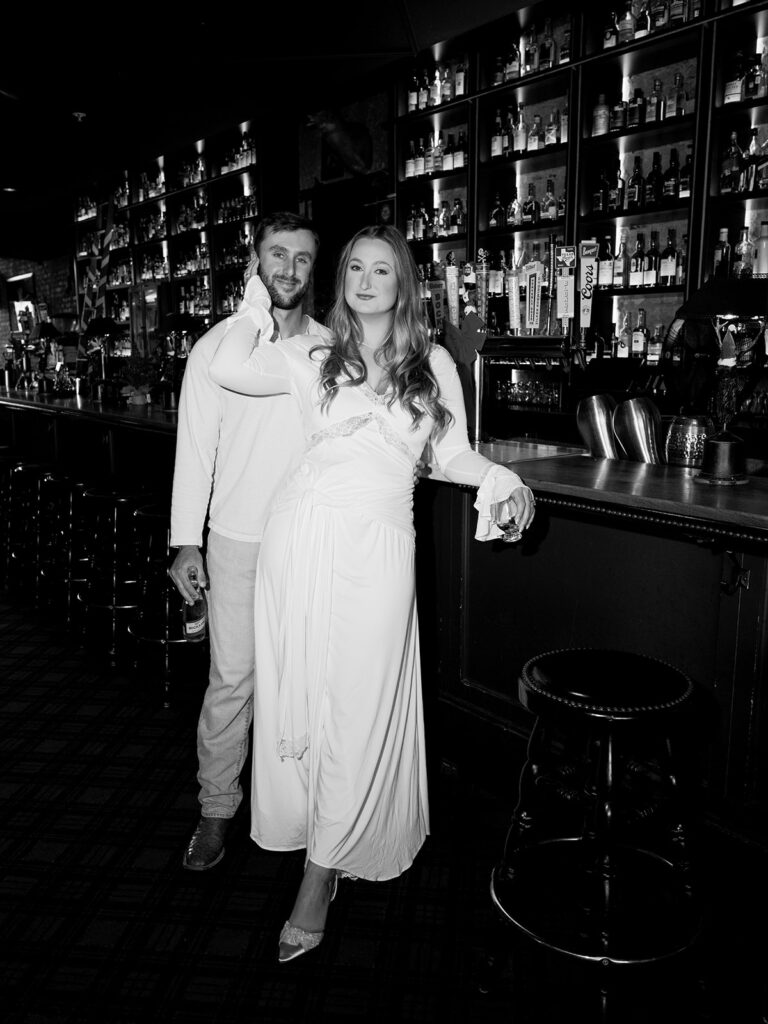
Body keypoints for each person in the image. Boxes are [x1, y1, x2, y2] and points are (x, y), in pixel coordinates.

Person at [208, 224, 535, 962]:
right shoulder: (314, 353)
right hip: (299, 535)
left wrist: (497, 479)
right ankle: (317, 839)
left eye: (379, 268)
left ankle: (319, 877)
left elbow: (450, 453)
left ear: (403, 283)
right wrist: (259, 300)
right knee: (307, 700)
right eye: (353, 266)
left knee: (359, 704)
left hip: (379, 546)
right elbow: (229, 365)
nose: (362, 279)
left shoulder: (434, 362)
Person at [168, 211, 331, 871]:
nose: (288, 268)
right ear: (256, 261)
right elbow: (194, 450)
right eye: (277, 254)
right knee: (232, 682)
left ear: (313, 269)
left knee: (311, 684)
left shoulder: (329, 348)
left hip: (310, 542)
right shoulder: (218, 347)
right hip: (234, 542)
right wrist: (186, 541)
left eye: (300, 257)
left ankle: (318, 810)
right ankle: (216, 811)